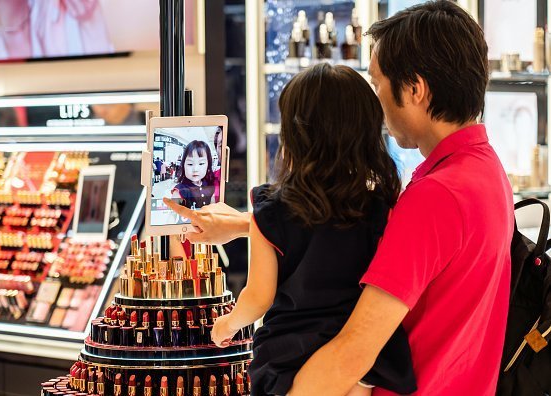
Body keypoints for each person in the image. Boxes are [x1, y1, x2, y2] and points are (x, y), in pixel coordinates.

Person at [164, 1, 514, 395]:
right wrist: (249, 225)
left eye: (378, 83)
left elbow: (353, 351)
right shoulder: (484, 170)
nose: (375, 100)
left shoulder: (435, 196)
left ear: (415, 89)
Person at [206, 63, 416, 396]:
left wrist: (227, 325)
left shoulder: (270, 210)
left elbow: (258, 299)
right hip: (364, 354)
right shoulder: (381, 206)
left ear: (295, 135)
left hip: (290, 356)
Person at [171, 140, 216, 210]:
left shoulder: (210, 186)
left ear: (208, 165)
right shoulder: (180, 190)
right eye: (190, 164)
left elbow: (213, 211)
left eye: (201, 163)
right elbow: (172, 214)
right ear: (183, 165)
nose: (195, 169)